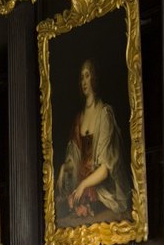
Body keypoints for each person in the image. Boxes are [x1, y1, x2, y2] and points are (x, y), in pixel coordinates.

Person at [56, 59, 130, 221]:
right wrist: (64, 167)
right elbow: (76, 160)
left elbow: (105, 169)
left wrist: (84, 185)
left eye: (87, 76)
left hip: (101, 190)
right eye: (81, 77)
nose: (84, 81)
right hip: (83, 188)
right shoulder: (80, 118)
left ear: (94, 78)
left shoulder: (104, 115)